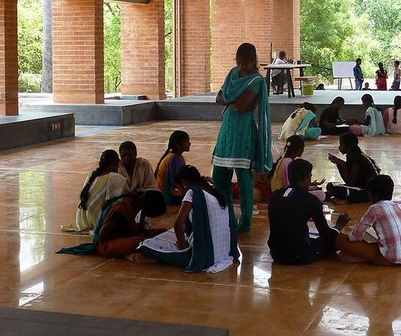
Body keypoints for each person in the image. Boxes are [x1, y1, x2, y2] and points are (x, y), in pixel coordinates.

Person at [212, 42, 272, 233]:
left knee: (244, 177)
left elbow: (238, 106)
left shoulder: (256, 81)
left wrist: (230, 101)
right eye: (238, 63)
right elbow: (218, 98)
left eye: (245, 63)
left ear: (254, 62)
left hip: (243, 132)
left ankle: (245, 222)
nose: (241, 67)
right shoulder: (232, 74)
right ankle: (226, 218)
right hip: (227, 129)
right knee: (219, 176)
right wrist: (234, 101)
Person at [136, 166, 239, 272]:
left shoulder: (193, 192)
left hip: (204, 257)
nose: (180, 192)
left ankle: (157, 258)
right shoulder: (216, 193)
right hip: (224, 253)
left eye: (179, 188)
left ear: (184, 182)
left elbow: (178, 224)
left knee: (146, 245)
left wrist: (182, 248)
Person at [268, 158, 348, 265]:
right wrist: (338, 226)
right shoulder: (310, 199)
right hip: (297, 255)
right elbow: (325, 234)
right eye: (310, 177)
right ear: (305, 178)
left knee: (308, 239)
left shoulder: (275, 196)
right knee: (333, 241)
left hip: (275, 253)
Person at [335, 175, 401, 265]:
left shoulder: (375, 208)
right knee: (374, 240)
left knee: (340, 240)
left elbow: (355, 236)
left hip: (389, 258)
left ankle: (366, 258)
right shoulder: (398, 206)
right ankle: (365, 258)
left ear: (374, 195)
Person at [61, 149, 126, 233]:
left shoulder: (91, 175)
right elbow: (120, 199)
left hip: (84, 221)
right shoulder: (113, 177)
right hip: (98, 220)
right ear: (115, 164)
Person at [326, 131, 380, 202]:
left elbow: (351, 183)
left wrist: (343, 165)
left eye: (341, 145)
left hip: (367, 193)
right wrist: (338, 164)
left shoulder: (357, 159)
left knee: (334, 188)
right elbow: (347, 180)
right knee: (331, 186)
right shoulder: (352, 155)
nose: (339, 147)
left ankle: (345, 199)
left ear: (348, 147)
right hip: (359, 188)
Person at [270, 135, 325, 201]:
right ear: (299, 149)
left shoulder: (284, 159)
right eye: (303, 148)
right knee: (321, 194)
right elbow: (289, 185)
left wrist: (311, 186)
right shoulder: (287, 162)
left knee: (317, 191)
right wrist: (309, 188)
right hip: (285, 194)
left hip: (284, 192)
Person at [154, 130, 191, 205]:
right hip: (165, 195)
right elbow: (175, 182)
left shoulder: (177, 156)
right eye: (187, 141)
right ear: (178, 145)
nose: (190, 143)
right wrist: (187, 193)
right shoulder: (173, 159)